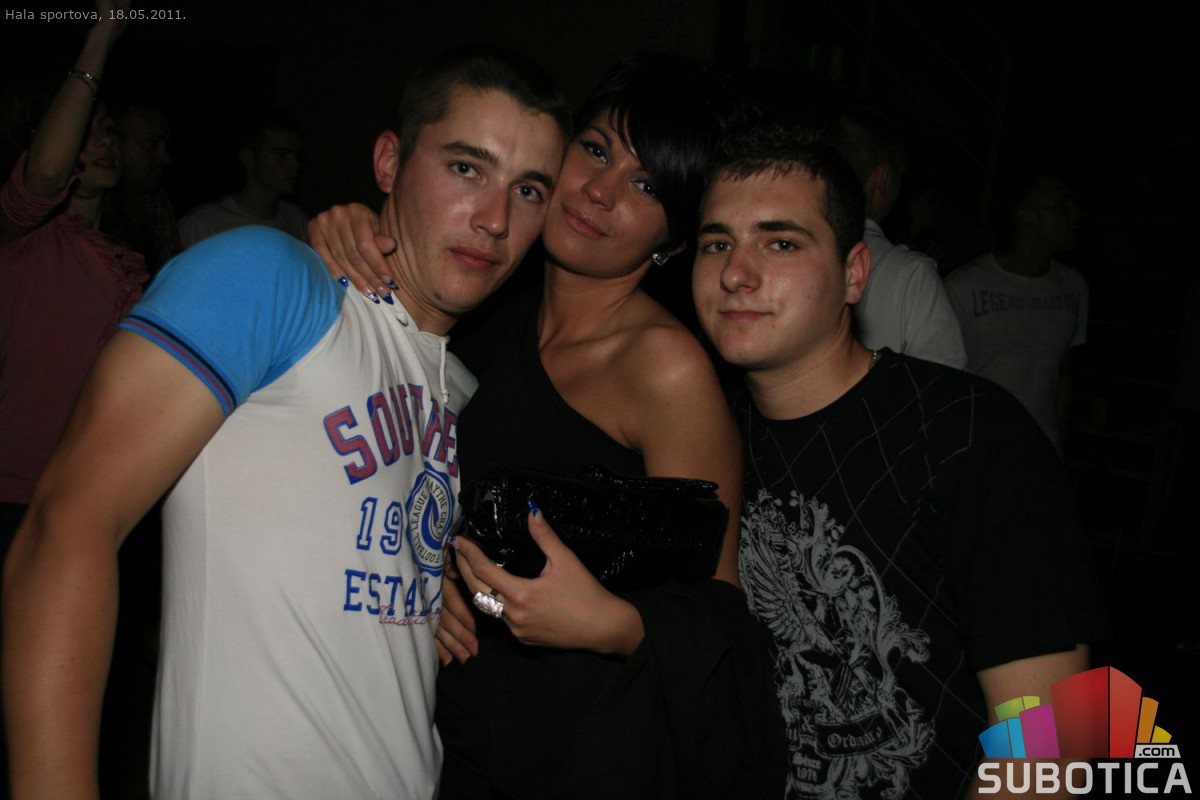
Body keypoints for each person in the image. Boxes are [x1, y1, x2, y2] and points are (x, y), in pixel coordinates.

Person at [2, 47, 570, 799]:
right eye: (466, 167)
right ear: (389, 162)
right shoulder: (269, 277)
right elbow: (66, 524)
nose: (495, 219)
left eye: (528, 190)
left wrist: (425, 593)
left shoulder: (460, 388)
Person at [311, 54, 785, 799]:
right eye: (595, 150)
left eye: (645, 185)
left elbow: (718, 613)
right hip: (449, 730)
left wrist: (608, 623)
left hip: (583, 751)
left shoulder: (663, 367)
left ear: (672, 240)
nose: (600, 191)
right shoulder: (483, 315)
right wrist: (352, 227)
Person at [690, 125, 1109, 798]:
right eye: (717, 243)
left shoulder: (967, 433)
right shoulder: (706, 436)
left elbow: (1049, 744)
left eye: (781, 242)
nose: (736, 273)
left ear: (855, 274)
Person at [0, 1, 147, 553]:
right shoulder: (23, 235)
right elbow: (44, 173)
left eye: (107, 130)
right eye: (85, 130)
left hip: (92, 497)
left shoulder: (130, 257)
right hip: (13, 496)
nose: (103, 143)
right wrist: (104, 32)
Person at [945, 172, 1087, 454]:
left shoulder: (1074, 287)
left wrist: (1057, 446)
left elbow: (1064, 373)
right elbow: (942, 378)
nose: (1075, 213)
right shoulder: (964, 287)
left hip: (1040, 454)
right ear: (1026, 214)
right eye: (1061, 204)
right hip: (978, 451)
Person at [831, 106, 966, 368]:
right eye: (899, 178)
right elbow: (944, 383)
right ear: (883, 178)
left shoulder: (787, 253)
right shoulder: (913, 274)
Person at [178, 109, 307, 248]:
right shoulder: (201, 225)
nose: (296, 164)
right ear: (248, 158)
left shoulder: (295, 220)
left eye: (297, 155)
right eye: (281, 155)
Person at [111, 101, 181, 273]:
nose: (165, 158)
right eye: (150, 145)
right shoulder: (78, 202)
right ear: (114, 144)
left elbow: (170, 272)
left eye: (164, 145)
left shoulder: (155, 200)